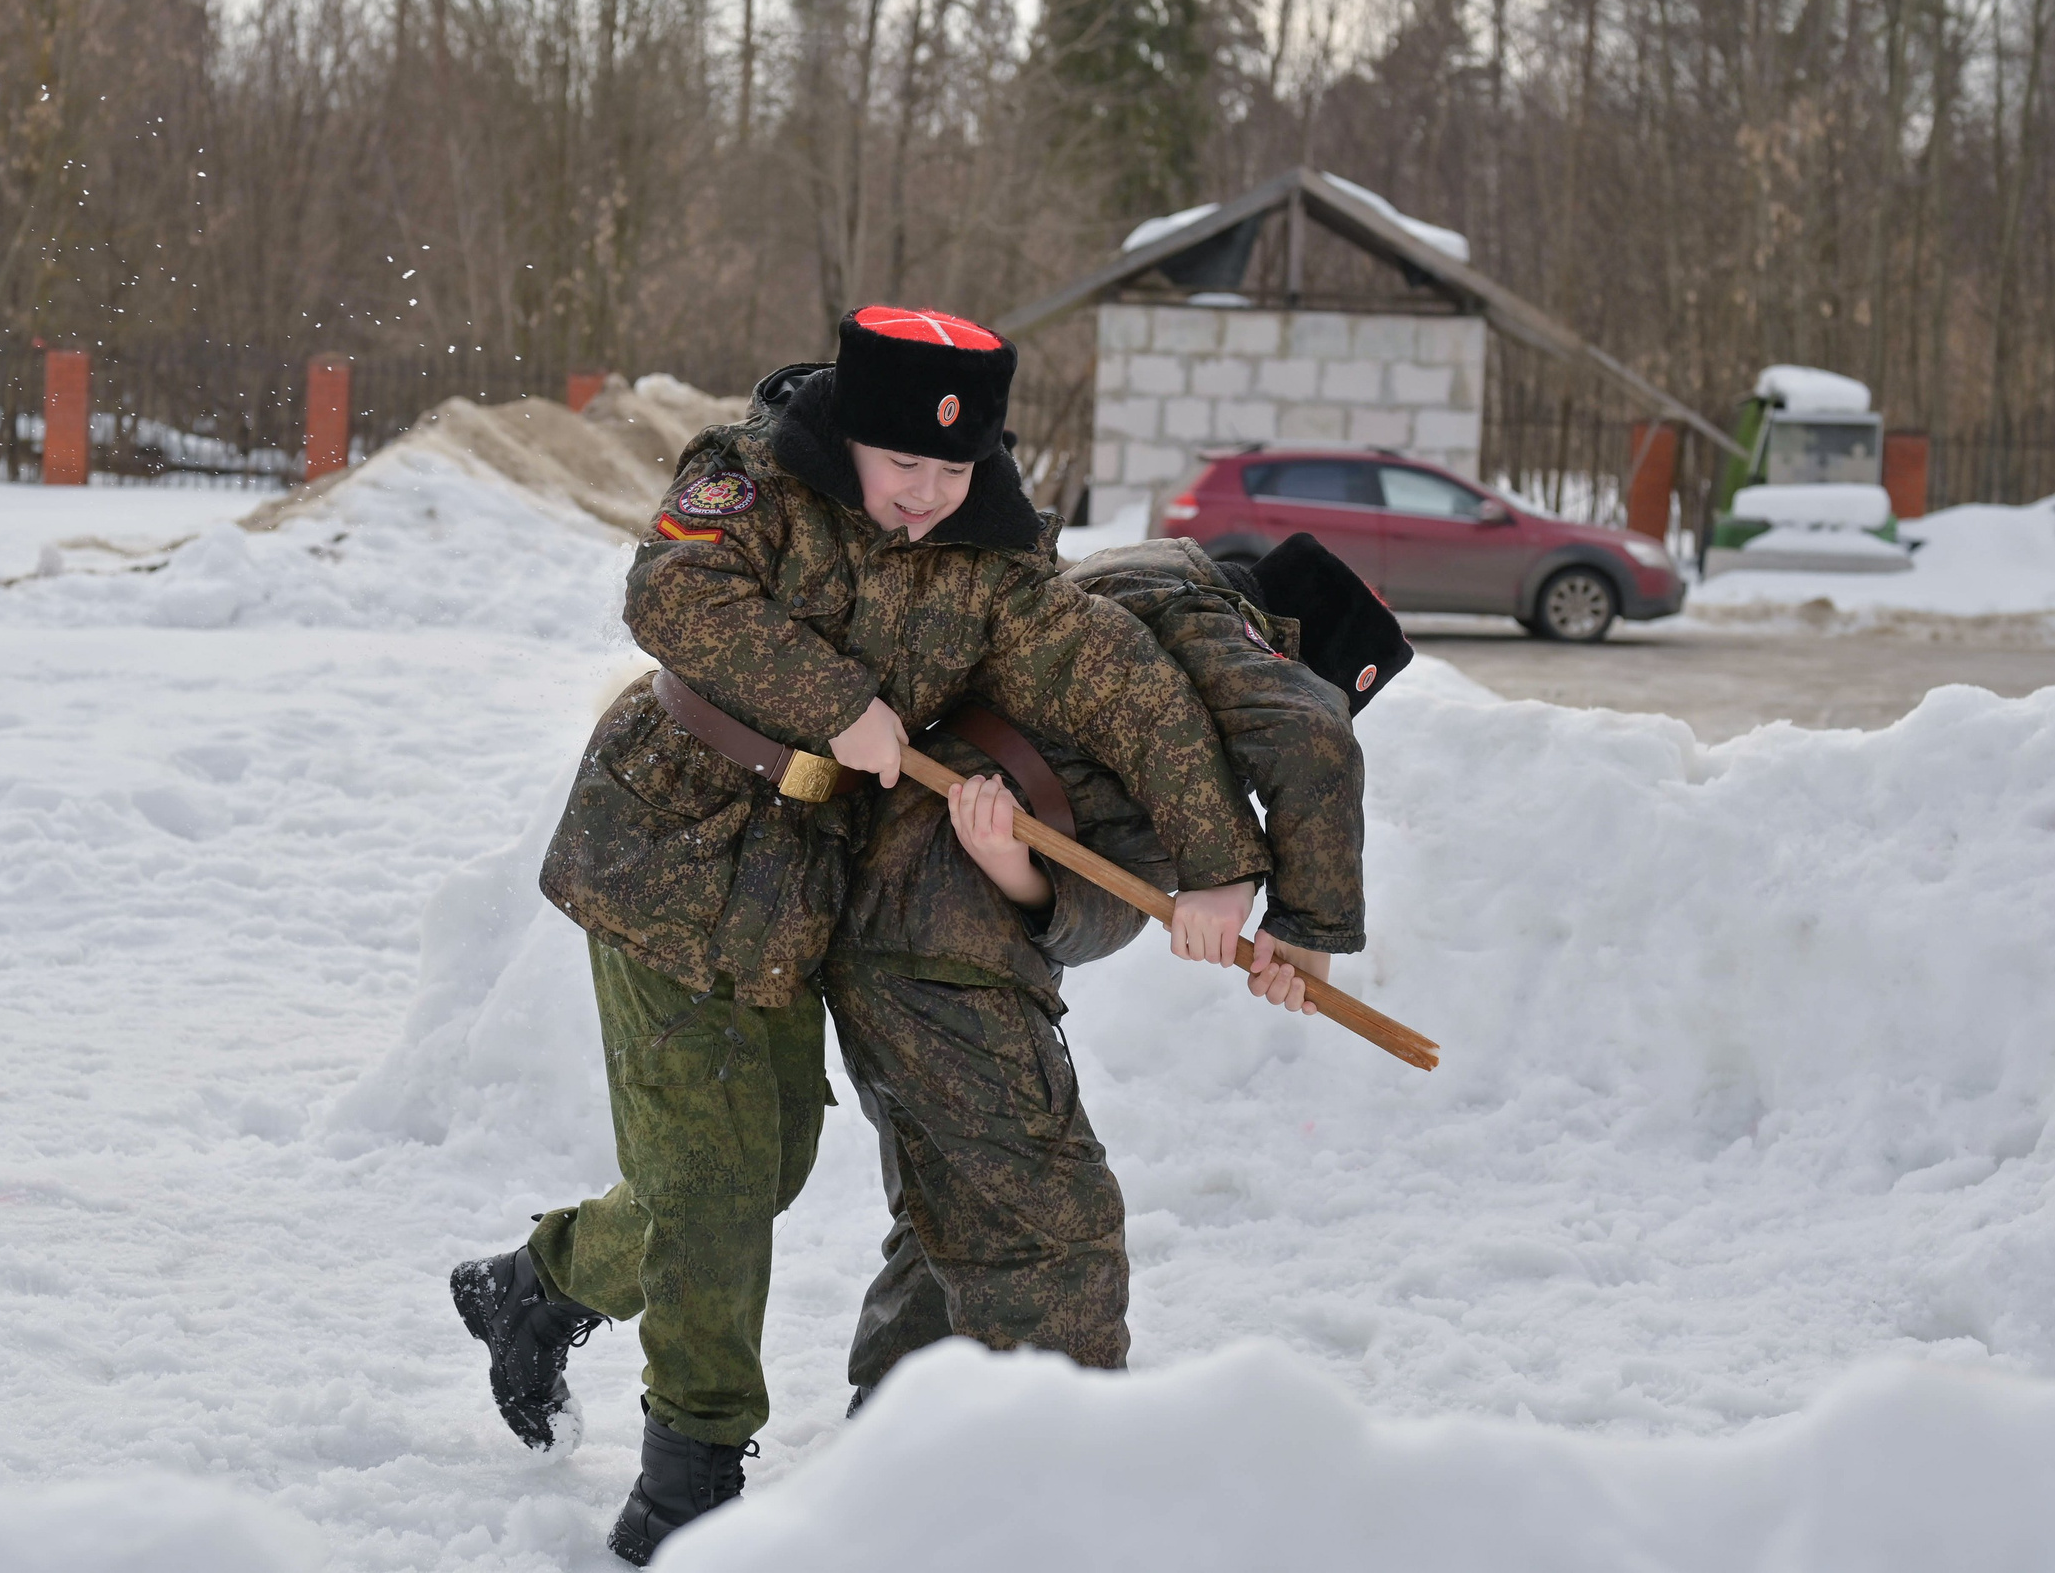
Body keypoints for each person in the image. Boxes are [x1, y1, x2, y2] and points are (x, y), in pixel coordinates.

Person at [446, 307, 1275, 1566]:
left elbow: (1124, 683)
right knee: (716, 1185)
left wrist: (1219, 862)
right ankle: (689, 1480)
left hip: (805, 884)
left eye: (953, 472)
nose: (926, 499)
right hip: (666, 847)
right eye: (904, 470)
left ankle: (540, 1284)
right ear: (852, 436)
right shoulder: (750, 476)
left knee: (756, 1165)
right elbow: (675, 593)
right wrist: (839, 703)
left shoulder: (991, 558)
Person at [826, 530, 1412, 1402]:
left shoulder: (1153, 684)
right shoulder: (1188, 610)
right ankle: (1057, 1480)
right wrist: (1307, 930)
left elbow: (1091, 898)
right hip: (930, 931)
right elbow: (1309, 734)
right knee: (1059, 1234)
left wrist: (1018, 873)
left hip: (908, 911)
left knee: (961, 1199)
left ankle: (896, 1439)